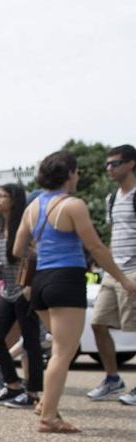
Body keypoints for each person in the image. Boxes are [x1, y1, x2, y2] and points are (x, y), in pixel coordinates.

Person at [13, 150, 136, 432]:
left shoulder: (33, 207)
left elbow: (17, 249)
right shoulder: (73, 205)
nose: (79, 175)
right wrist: (122, 279)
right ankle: (50, 417)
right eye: (77, 171)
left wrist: (42, 250)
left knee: (58, 347)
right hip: (66, 280)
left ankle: (46, 403)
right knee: (63, 351)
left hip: (41, 282)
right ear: (68, 173)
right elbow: (95, 247)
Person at [0, 183, 44, 408]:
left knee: (31, 343)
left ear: (14, 199)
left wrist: (32, 282)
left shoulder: (26, 225)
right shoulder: (0, 228)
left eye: (2, 196)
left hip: (25, 289)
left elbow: (36, 255)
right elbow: (3, 259)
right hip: (8, 290)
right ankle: (12, 385)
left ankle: (34, 393)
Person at [88, 145, 136, 404]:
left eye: (115, 163)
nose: (109, 168)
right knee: (98, 323)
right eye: (107, 164)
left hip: (134, 269)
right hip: (114, 271)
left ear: (131, 164)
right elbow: (114, 235)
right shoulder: (112, 199)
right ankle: (112, 378)